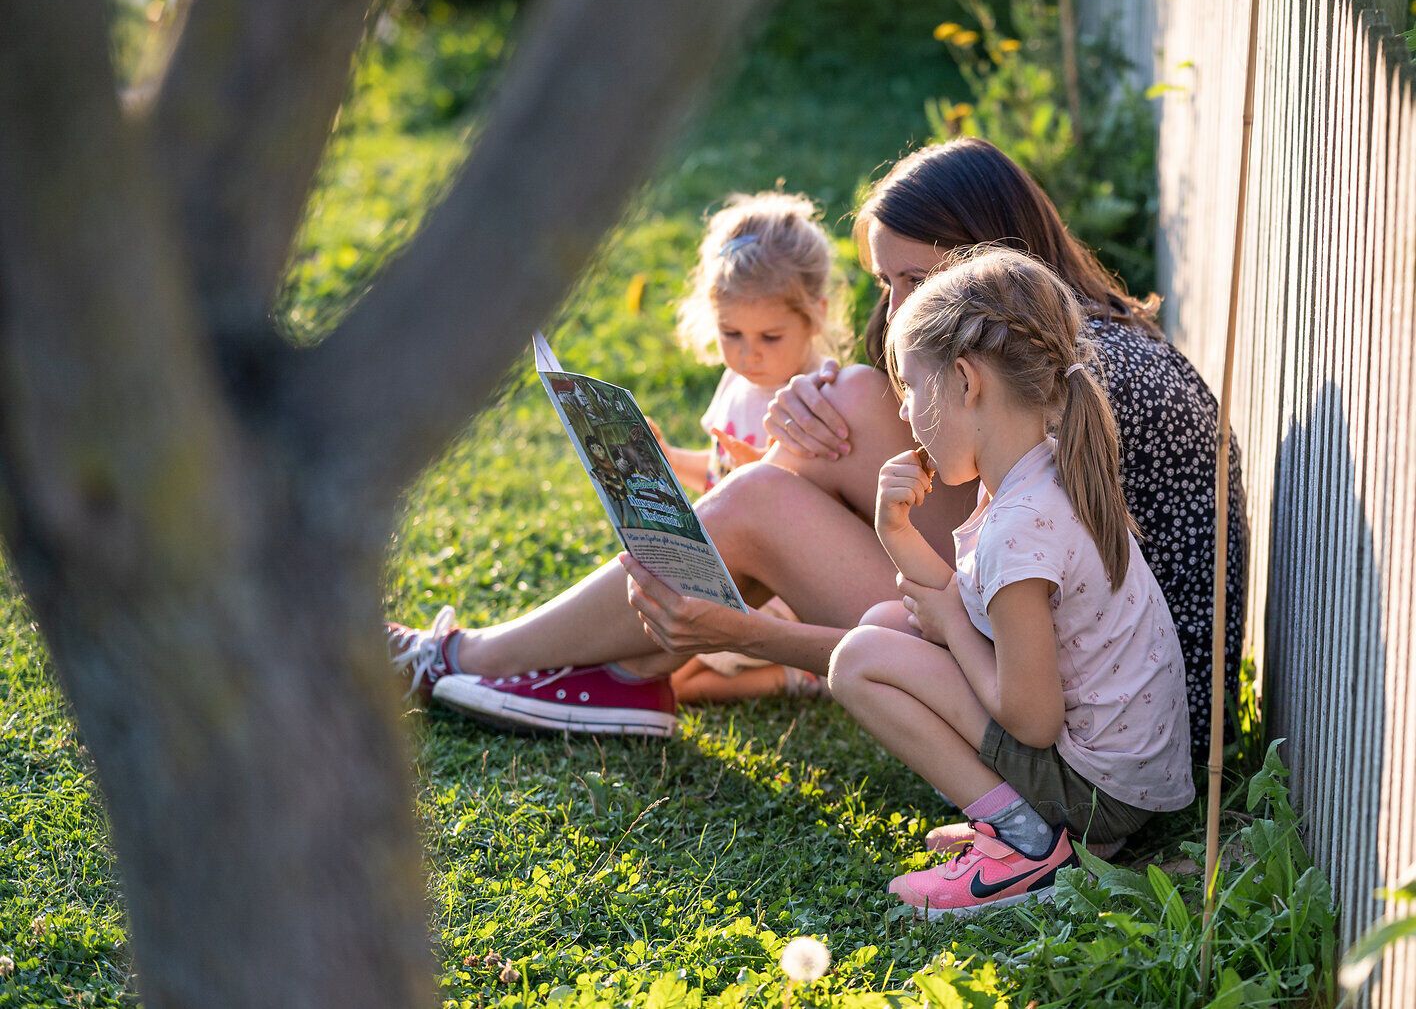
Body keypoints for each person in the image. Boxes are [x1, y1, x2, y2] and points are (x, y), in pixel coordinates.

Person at [385, 140, 1244, 752]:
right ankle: (620, 664)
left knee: (761, 501)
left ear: (994, 254)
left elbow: (1031, 633)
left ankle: (482, 660)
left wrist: (754, 633)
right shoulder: (1063, 339)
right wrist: (813, 404)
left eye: (919, 281)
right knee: (850, 405)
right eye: (886, 284)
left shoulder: (1072, 381)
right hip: (1092, 676)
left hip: (1094, 726)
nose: (899, 309)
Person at [829, 246, 1193, 916]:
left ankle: (1025, 847)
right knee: (882, 627)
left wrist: (947, 631)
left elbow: (1031, 716)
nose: (907, 414)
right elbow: (960, 608)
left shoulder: (1020, 523)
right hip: (1118, 777)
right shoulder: (1041, 472)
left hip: (1099, 792)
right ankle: (1035, 829)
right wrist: (897, 534)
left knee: (858, 661)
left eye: (912, 388)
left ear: (966, 381)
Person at [653, 191, 841, 701]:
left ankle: (799, 675)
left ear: (815, 316)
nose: (748, 353)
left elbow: (823, 513)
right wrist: (670, 460)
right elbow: (717, 470)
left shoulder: (818, 397)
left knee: (676, 680)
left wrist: (762, 470)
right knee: (653, 648)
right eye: (730, 333)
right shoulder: (736, 384)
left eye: (770, 337)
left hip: (777, 589)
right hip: (725, 567)